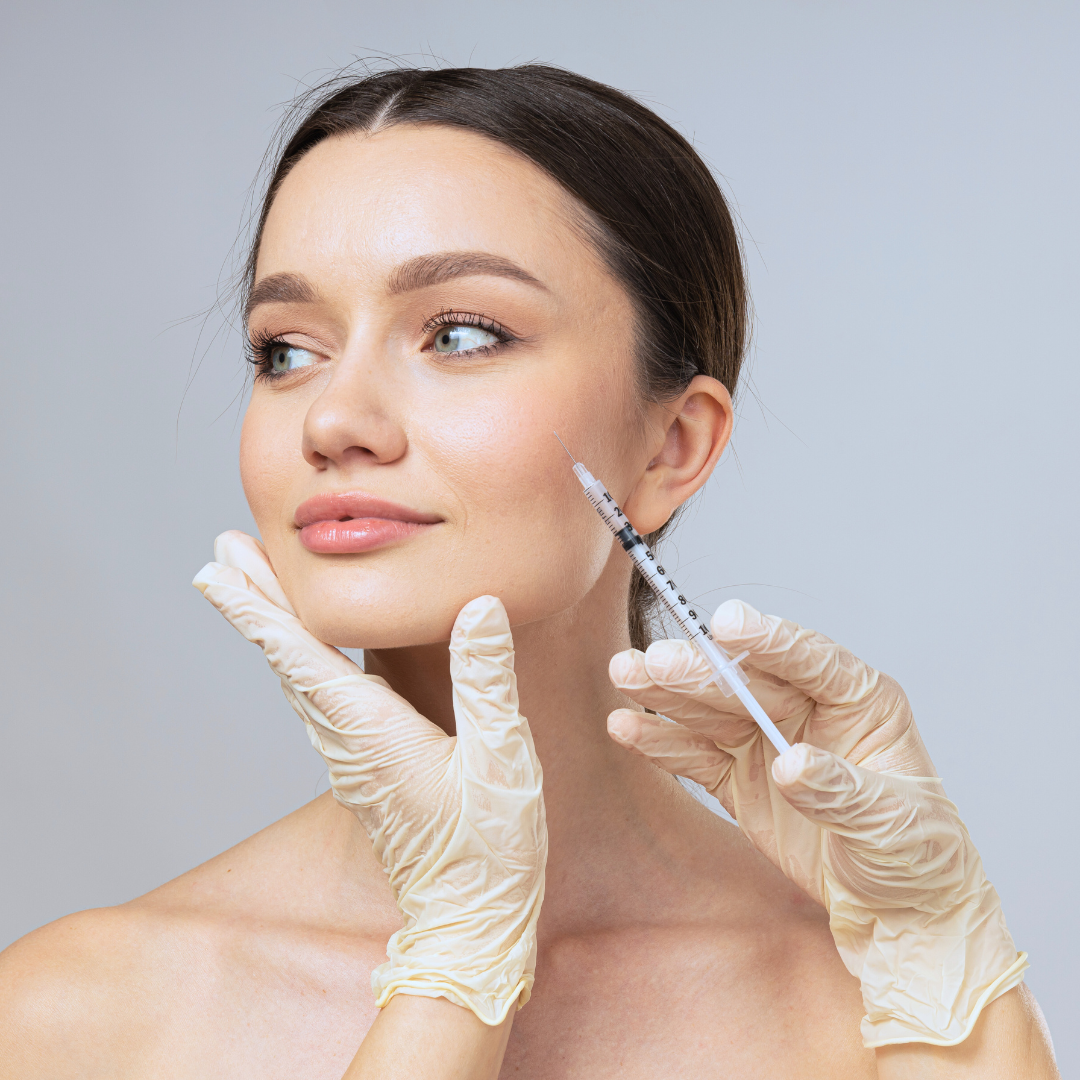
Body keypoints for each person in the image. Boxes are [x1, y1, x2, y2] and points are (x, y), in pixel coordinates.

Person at [0, 66, 1059, 1079]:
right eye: (286, 350)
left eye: (461, 333)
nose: (332, 419)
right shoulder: (77, 1013)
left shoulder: (884, 1003)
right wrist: (454, 968)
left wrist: (939, 968)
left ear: (671, 447)